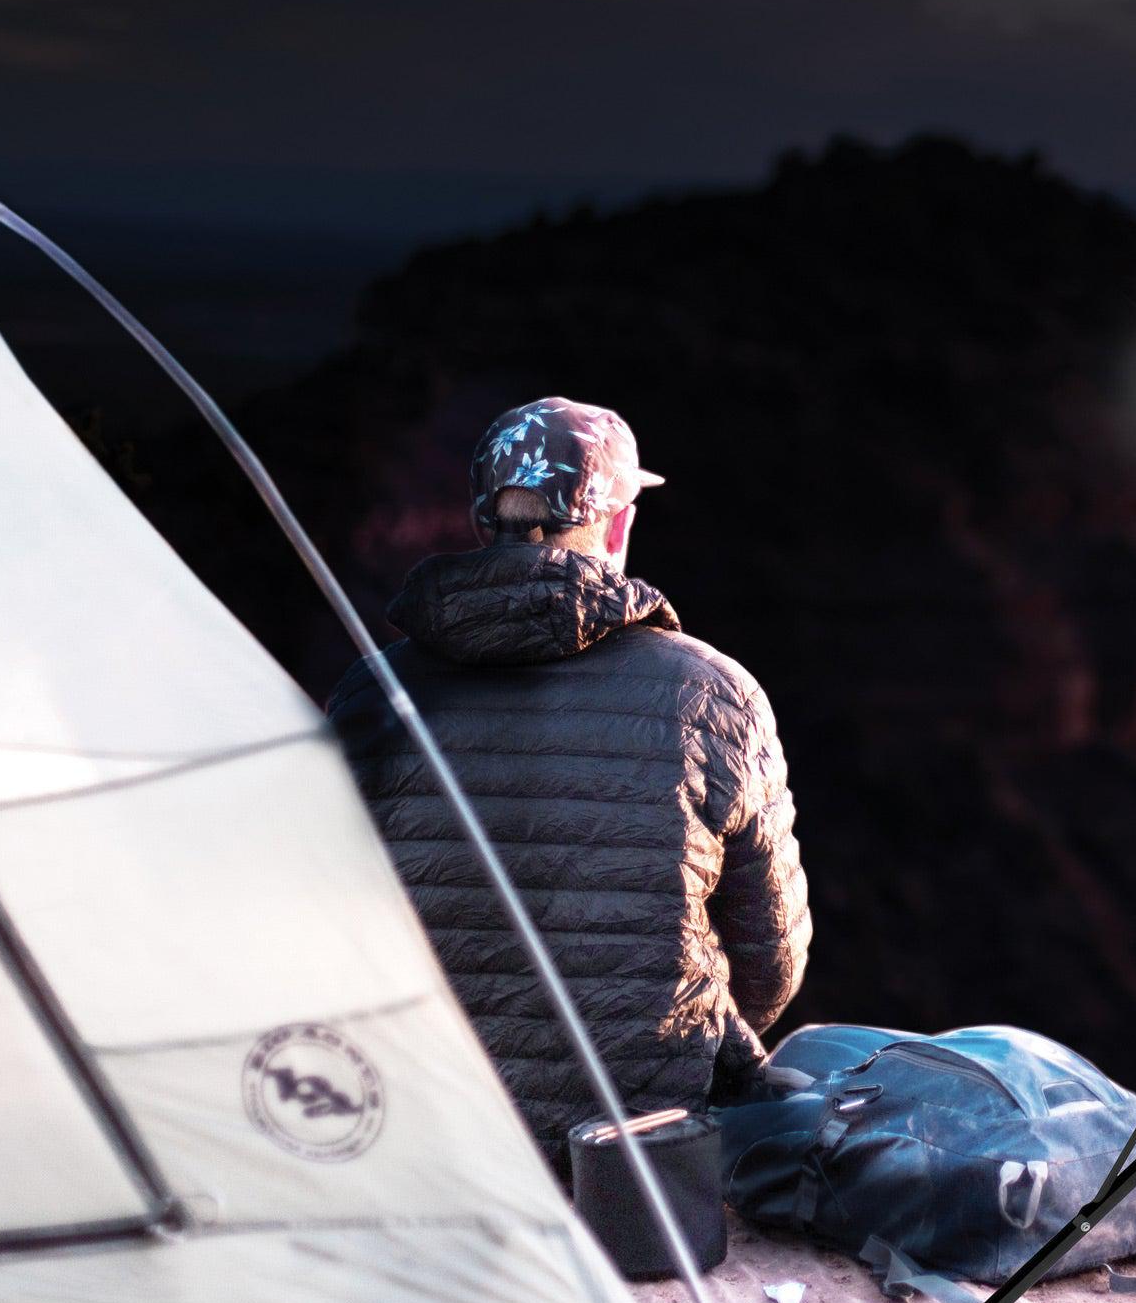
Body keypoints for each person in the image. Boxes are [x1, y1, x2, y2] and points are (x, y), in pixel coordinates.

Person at [327, 396, 810, 1153]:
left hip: (422, 1137)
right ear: (618, 524)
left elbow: (319, 916)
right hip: (634, 1158)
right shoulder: (711, 693)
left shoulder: (372, 690)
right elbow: (768, 958)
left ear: (485, 517)